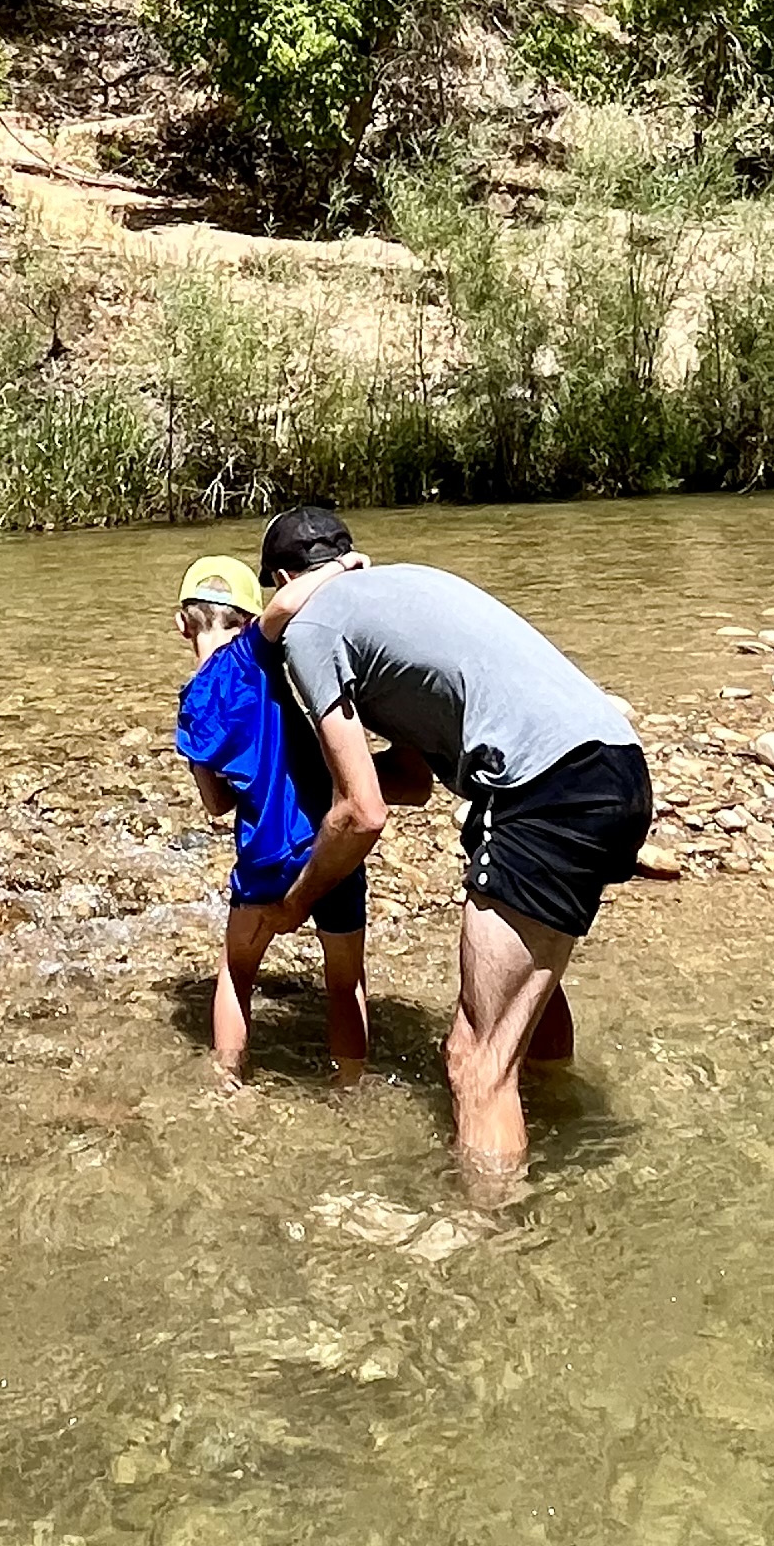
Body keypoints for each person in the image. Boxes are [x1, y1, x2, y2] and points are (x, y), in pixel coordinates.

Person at [249, 504, 651, 1181]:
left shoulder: (310, 629)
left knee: (475, 1061)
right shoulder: (406, 588)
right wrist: (302, 782)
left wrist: (294, 903)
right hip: (618, 770)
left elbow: (363, 813)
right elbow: (411, 781)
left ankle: (486, 1230)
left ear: (285, 581)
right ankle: (558, 1124)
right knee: (528, 1004)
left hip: (542, 791)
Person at [170, 553, 371, 1086]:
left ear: (182, 624)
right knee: (345, 981)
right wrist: (342, 565)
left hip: (264, 849)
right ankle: (350, 1086)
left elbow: (216, 803)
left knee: (236, 973)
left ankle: (228, 1083)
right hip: (330, 841)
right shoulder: (250, 655)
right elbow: (285, 605)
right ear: (247, 621)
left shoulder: (191, 704)